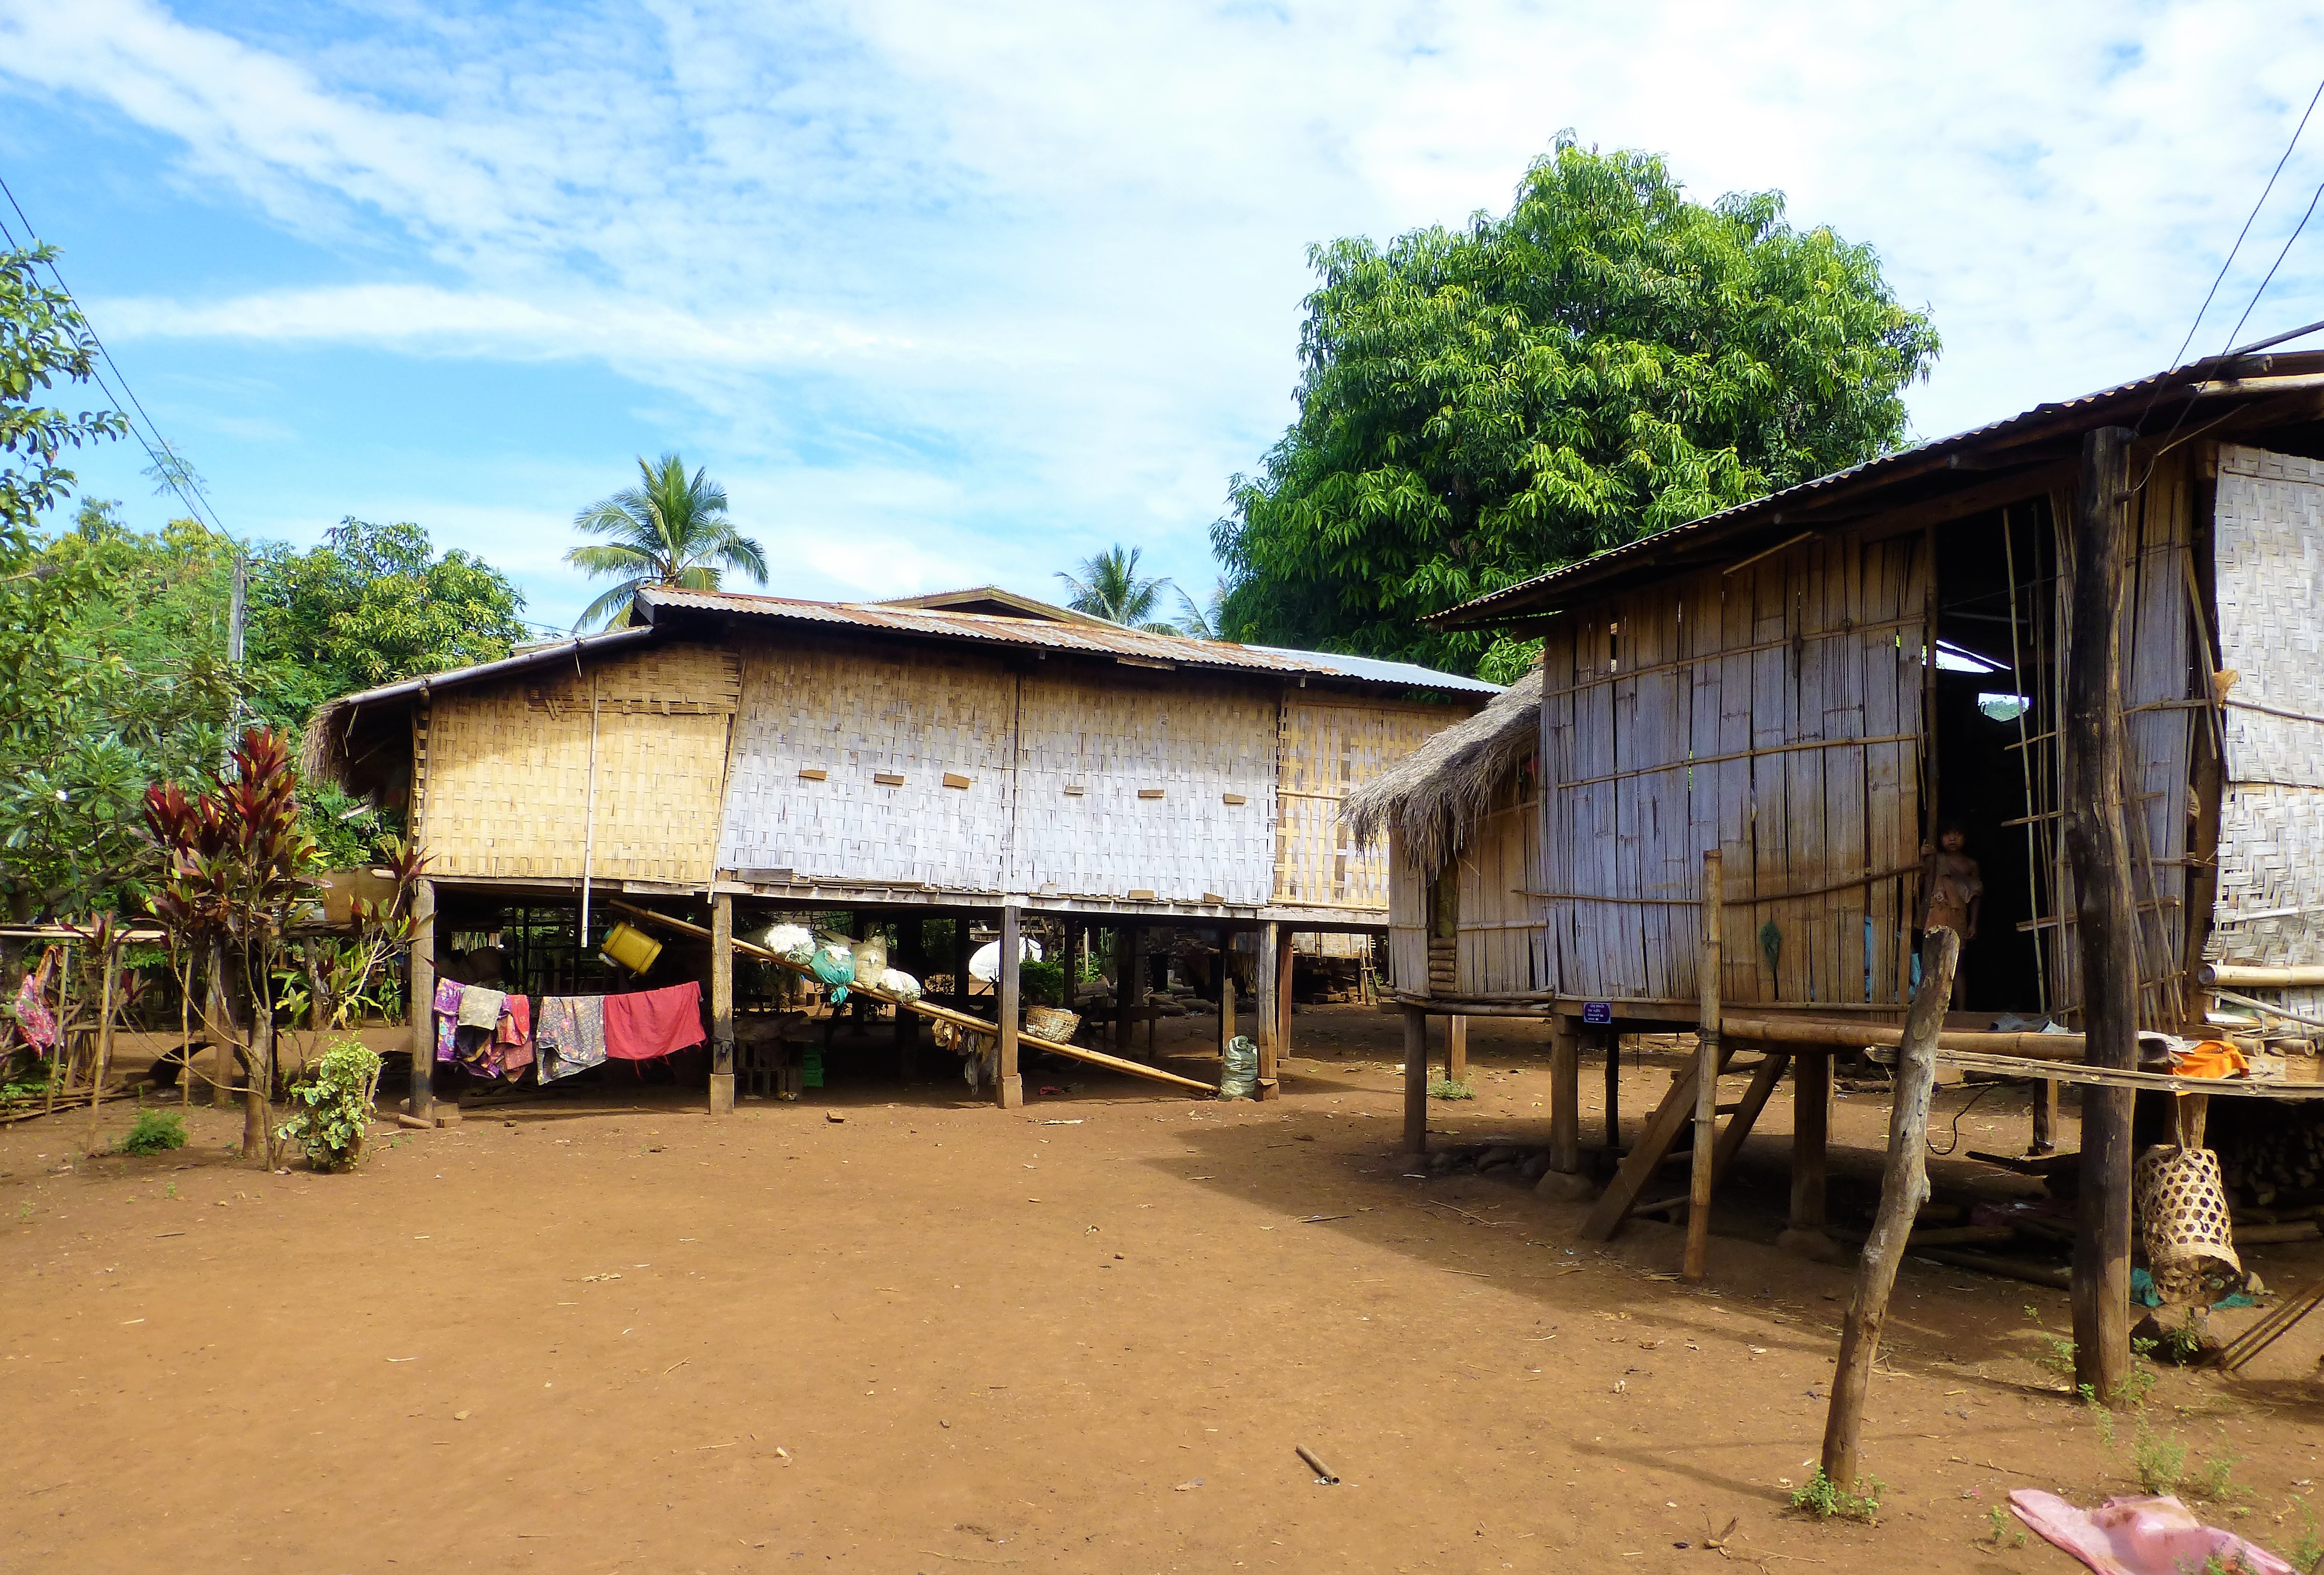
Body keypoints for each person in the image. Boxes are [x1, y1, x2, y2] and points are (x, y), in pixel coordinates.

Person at [1919, 821, 1982, 1007]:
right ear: (1940, 838)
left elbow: (1976, 894)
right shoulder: (1935, 859)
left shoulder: (1971, 865)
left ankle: (1961, 1010)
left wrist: (1973, 923)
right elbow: (1920, 881)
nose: (1952, 838)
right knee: (1931, 964)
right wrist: (1923, 858)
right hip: (1935, 915)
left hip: (1958, 918)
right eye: (1947, 834)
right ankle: (1928, 1008)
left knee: (1958, 967)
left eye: (1957, 834)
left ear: (1965, 837)